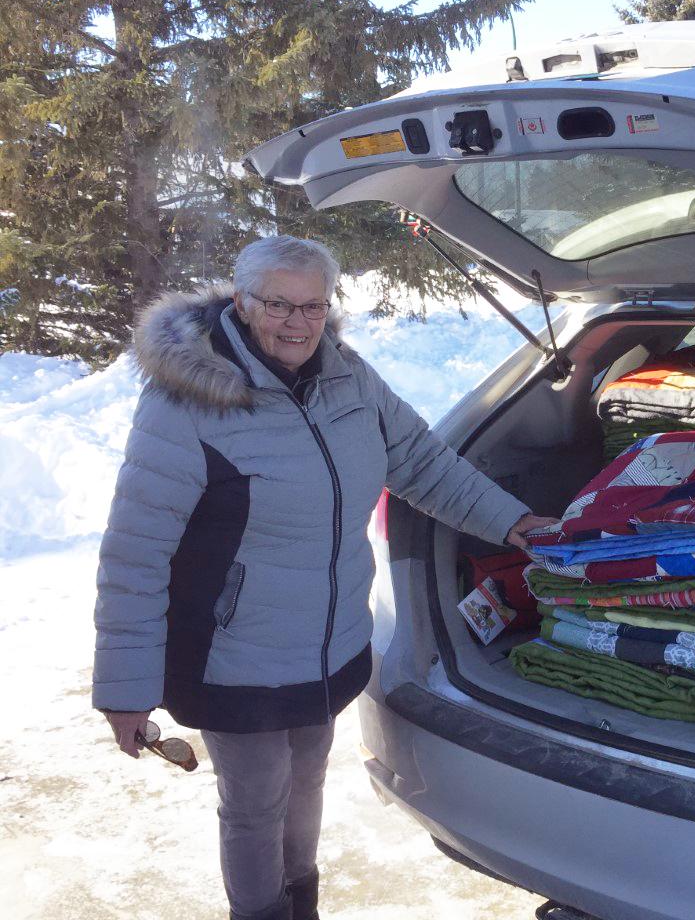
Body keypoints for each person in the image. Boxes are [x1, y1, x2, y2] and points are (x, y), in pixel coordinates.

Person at [92, 236, 555, 920]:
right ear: (244, 302)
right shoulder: (187, 404)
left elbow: (424, 464)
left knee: (305, 783)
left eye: (313, 305)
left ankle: (298, 902)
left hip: (329, 645)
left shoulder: (349, 378)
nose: (297, 322)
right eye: (278, 303)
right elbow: (135, 553)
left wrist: (516, 525)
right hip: (233, 656)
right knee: (254, 806)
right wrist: (125, 691)